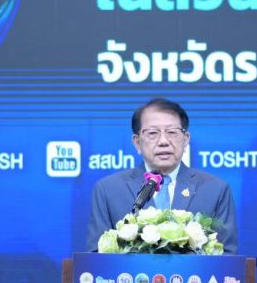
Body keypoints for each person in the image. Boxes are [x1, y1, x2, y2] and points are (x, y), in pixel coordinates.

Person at [86, 98, 238, 253]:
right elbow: (96, 256)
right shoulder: (108, 190)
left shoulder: (215, 189)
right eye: (153, 133)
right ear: (137, 142)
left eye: (172, 132)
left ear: (186, 140)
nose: (163, 141)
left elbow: (227, 255)